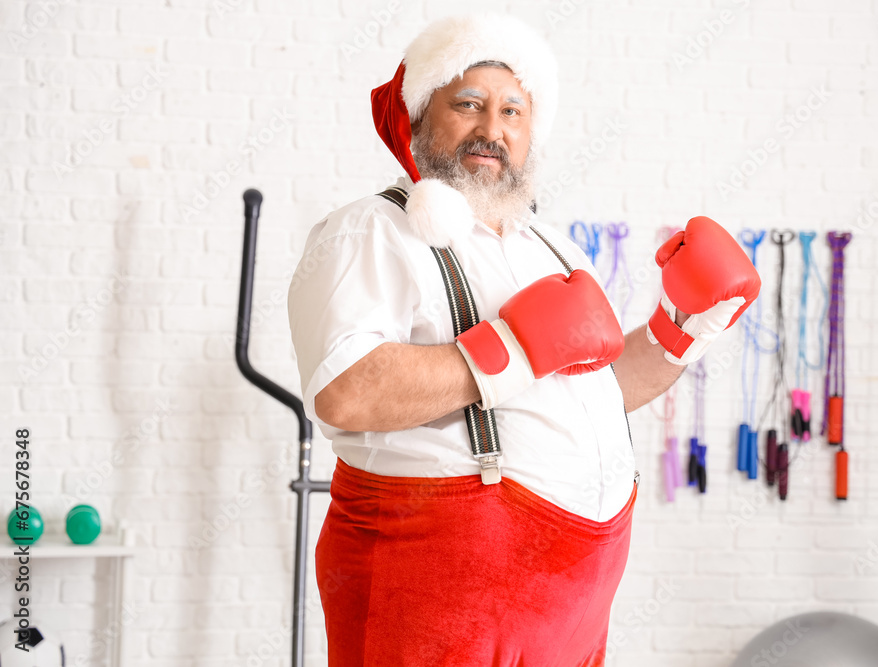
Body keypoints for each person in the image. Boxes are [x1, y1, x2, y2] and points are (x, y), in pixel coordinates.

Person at [287, 13, 760, 667]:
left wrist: (680, 330)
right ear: (421, 114)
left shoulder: (551, 247)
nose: (493, 129)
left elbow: (598, 393)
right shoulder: (371, 230)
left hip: (574, 601)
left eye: (513, 110)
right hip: (436, 584)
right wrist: (514, 346)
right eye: (469, 106)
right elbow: (344, 390)